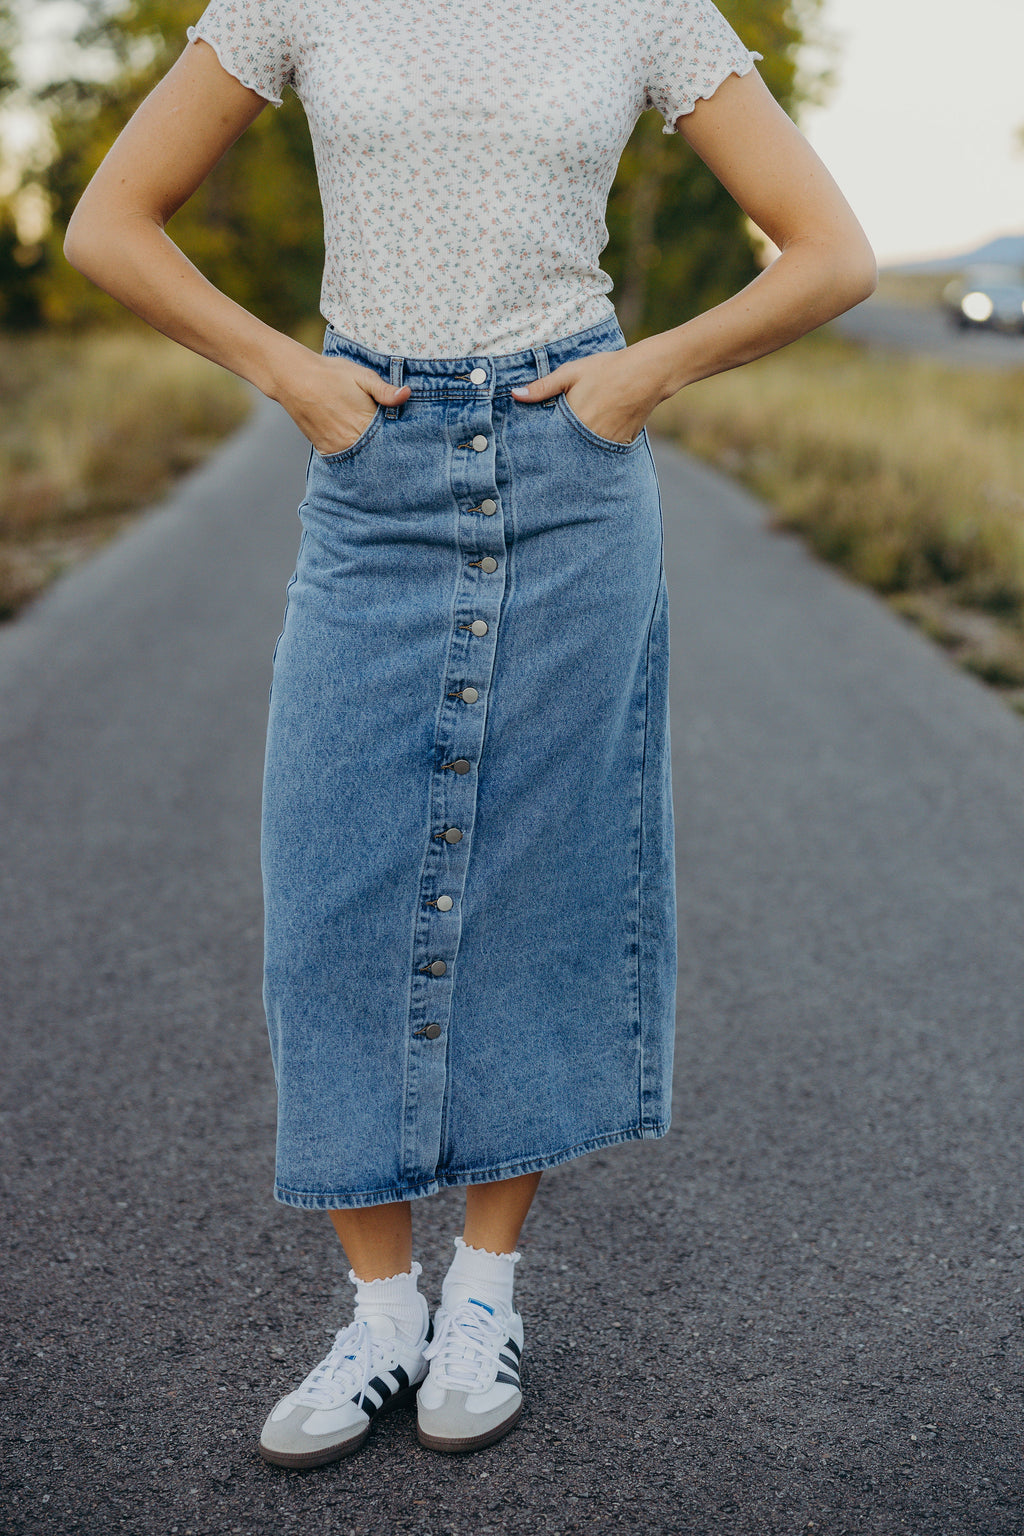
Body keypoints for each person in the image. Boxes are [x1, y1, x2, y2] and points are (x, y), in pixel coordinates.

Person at [64, 0, 876, 1467]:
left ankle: (482, 1297)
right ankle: (381, 1316)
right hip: (372, 468)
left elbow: (832, 253)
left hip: (572, 467)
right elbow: (108, 224)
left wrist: (642, 374)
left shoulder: (647, 9)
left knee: (542, 887)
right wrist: (290, 374)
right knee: (330, 889)